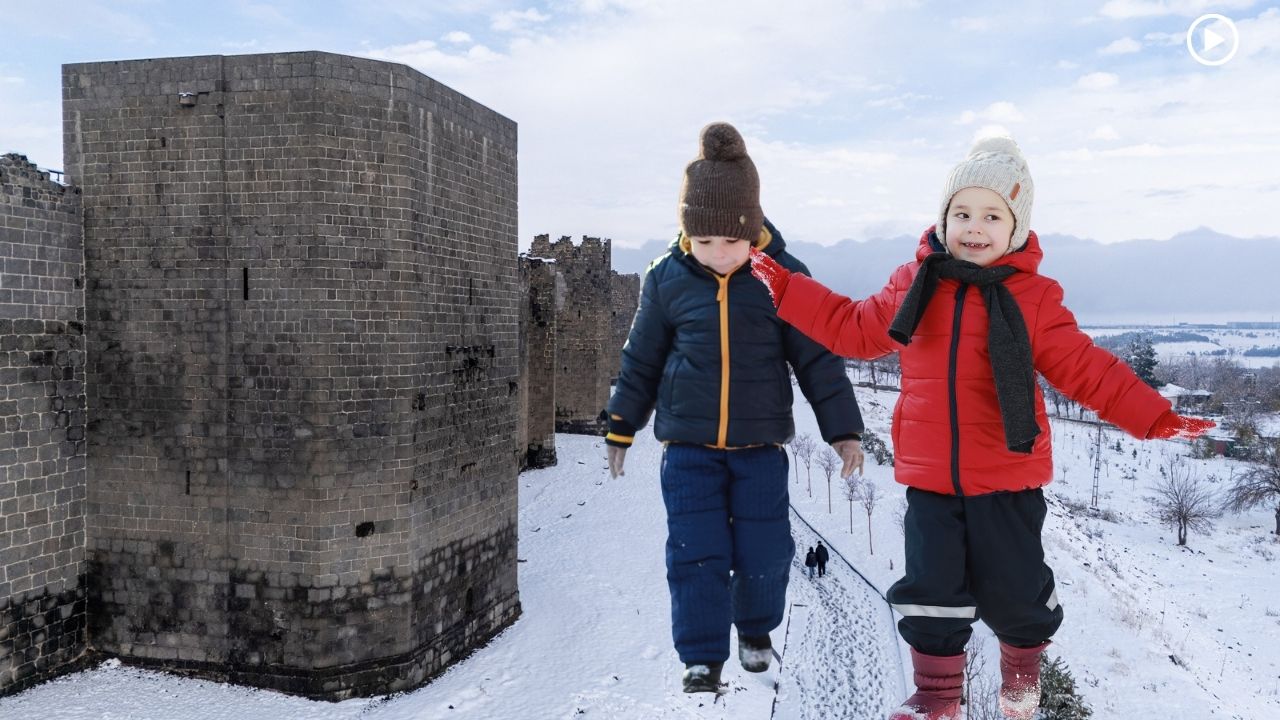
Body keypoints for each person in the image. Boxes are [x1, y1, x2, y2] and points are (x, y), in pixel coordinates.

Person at [748, 136, 1214, 720]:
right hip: (930, 478)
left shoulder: (1034, 298)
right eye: (962, 213)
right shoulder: (915, 283)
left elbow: (1087, 369)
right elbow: (852, 327)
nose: (974, 226)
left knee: (1015, 590)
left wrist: (1155, 416)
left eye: (992, 216)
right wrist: (785, 286)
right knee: (931, 591)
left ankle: (1021, 671)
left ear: (1016, 229)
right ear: (943, 219)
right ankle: (937, 698)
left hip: (1007, 477)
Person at [604, 122, 866, 694]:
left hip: (760, 449)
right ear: (686, 232)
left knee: (765, 550)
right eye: (703, 241)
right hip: (688, 449)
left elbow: (817, 359)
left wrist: (844, 430)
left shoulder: (784, 279)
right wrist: (621, 424)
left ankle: (755, 630)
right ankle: (701, 656)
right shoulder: (666, 279)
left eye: (730, 241)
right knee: (695, 553)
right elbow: (641, 357)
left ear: (752, 232)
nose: (718, 254)